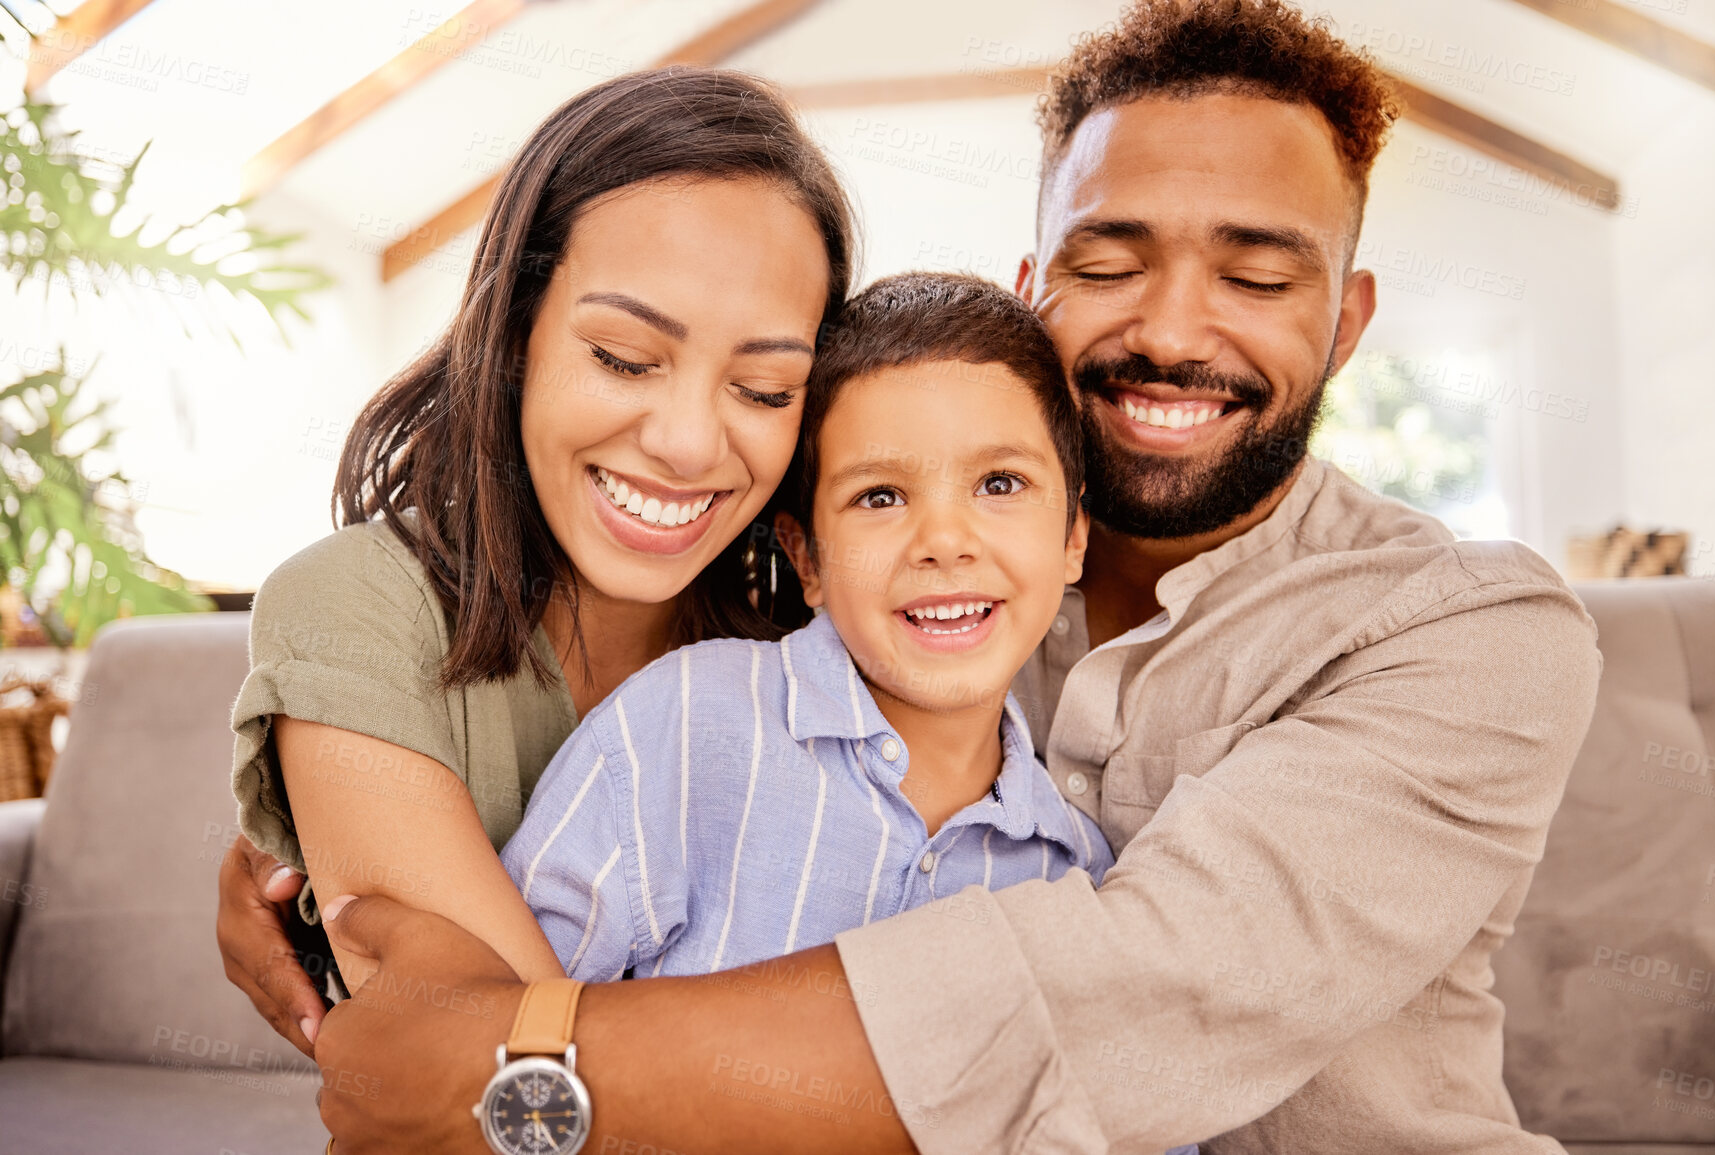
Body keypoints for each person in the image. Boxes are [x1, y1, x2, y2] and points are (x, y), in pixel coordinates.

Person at [240, 2, 1604, 1152]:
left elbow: (1132, 986)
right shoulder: (888, 594)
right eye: (1105, 260)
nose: (1171, 328)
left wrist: (514, 1056)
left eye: (1255, 275)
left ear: (1346, 315)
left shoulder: (1467, 629)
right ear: (1032, 286)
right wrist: (306, 842)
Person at [221, 65, 853, 1032]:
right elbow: (485, 1067)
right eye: (622, 358)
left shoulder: (830, 638)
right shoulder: (352, 609)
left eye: (765, 388)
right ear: (514, 330)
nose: (688, 443)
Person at [503, 271, 1116, 977]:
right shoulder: (681, 730)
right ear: (806, 557)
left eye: (999, 484)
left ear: (1073, 534)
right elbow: (497, 1026)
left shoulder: (1077, 877)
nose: (944, 541)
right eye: (879, 496)